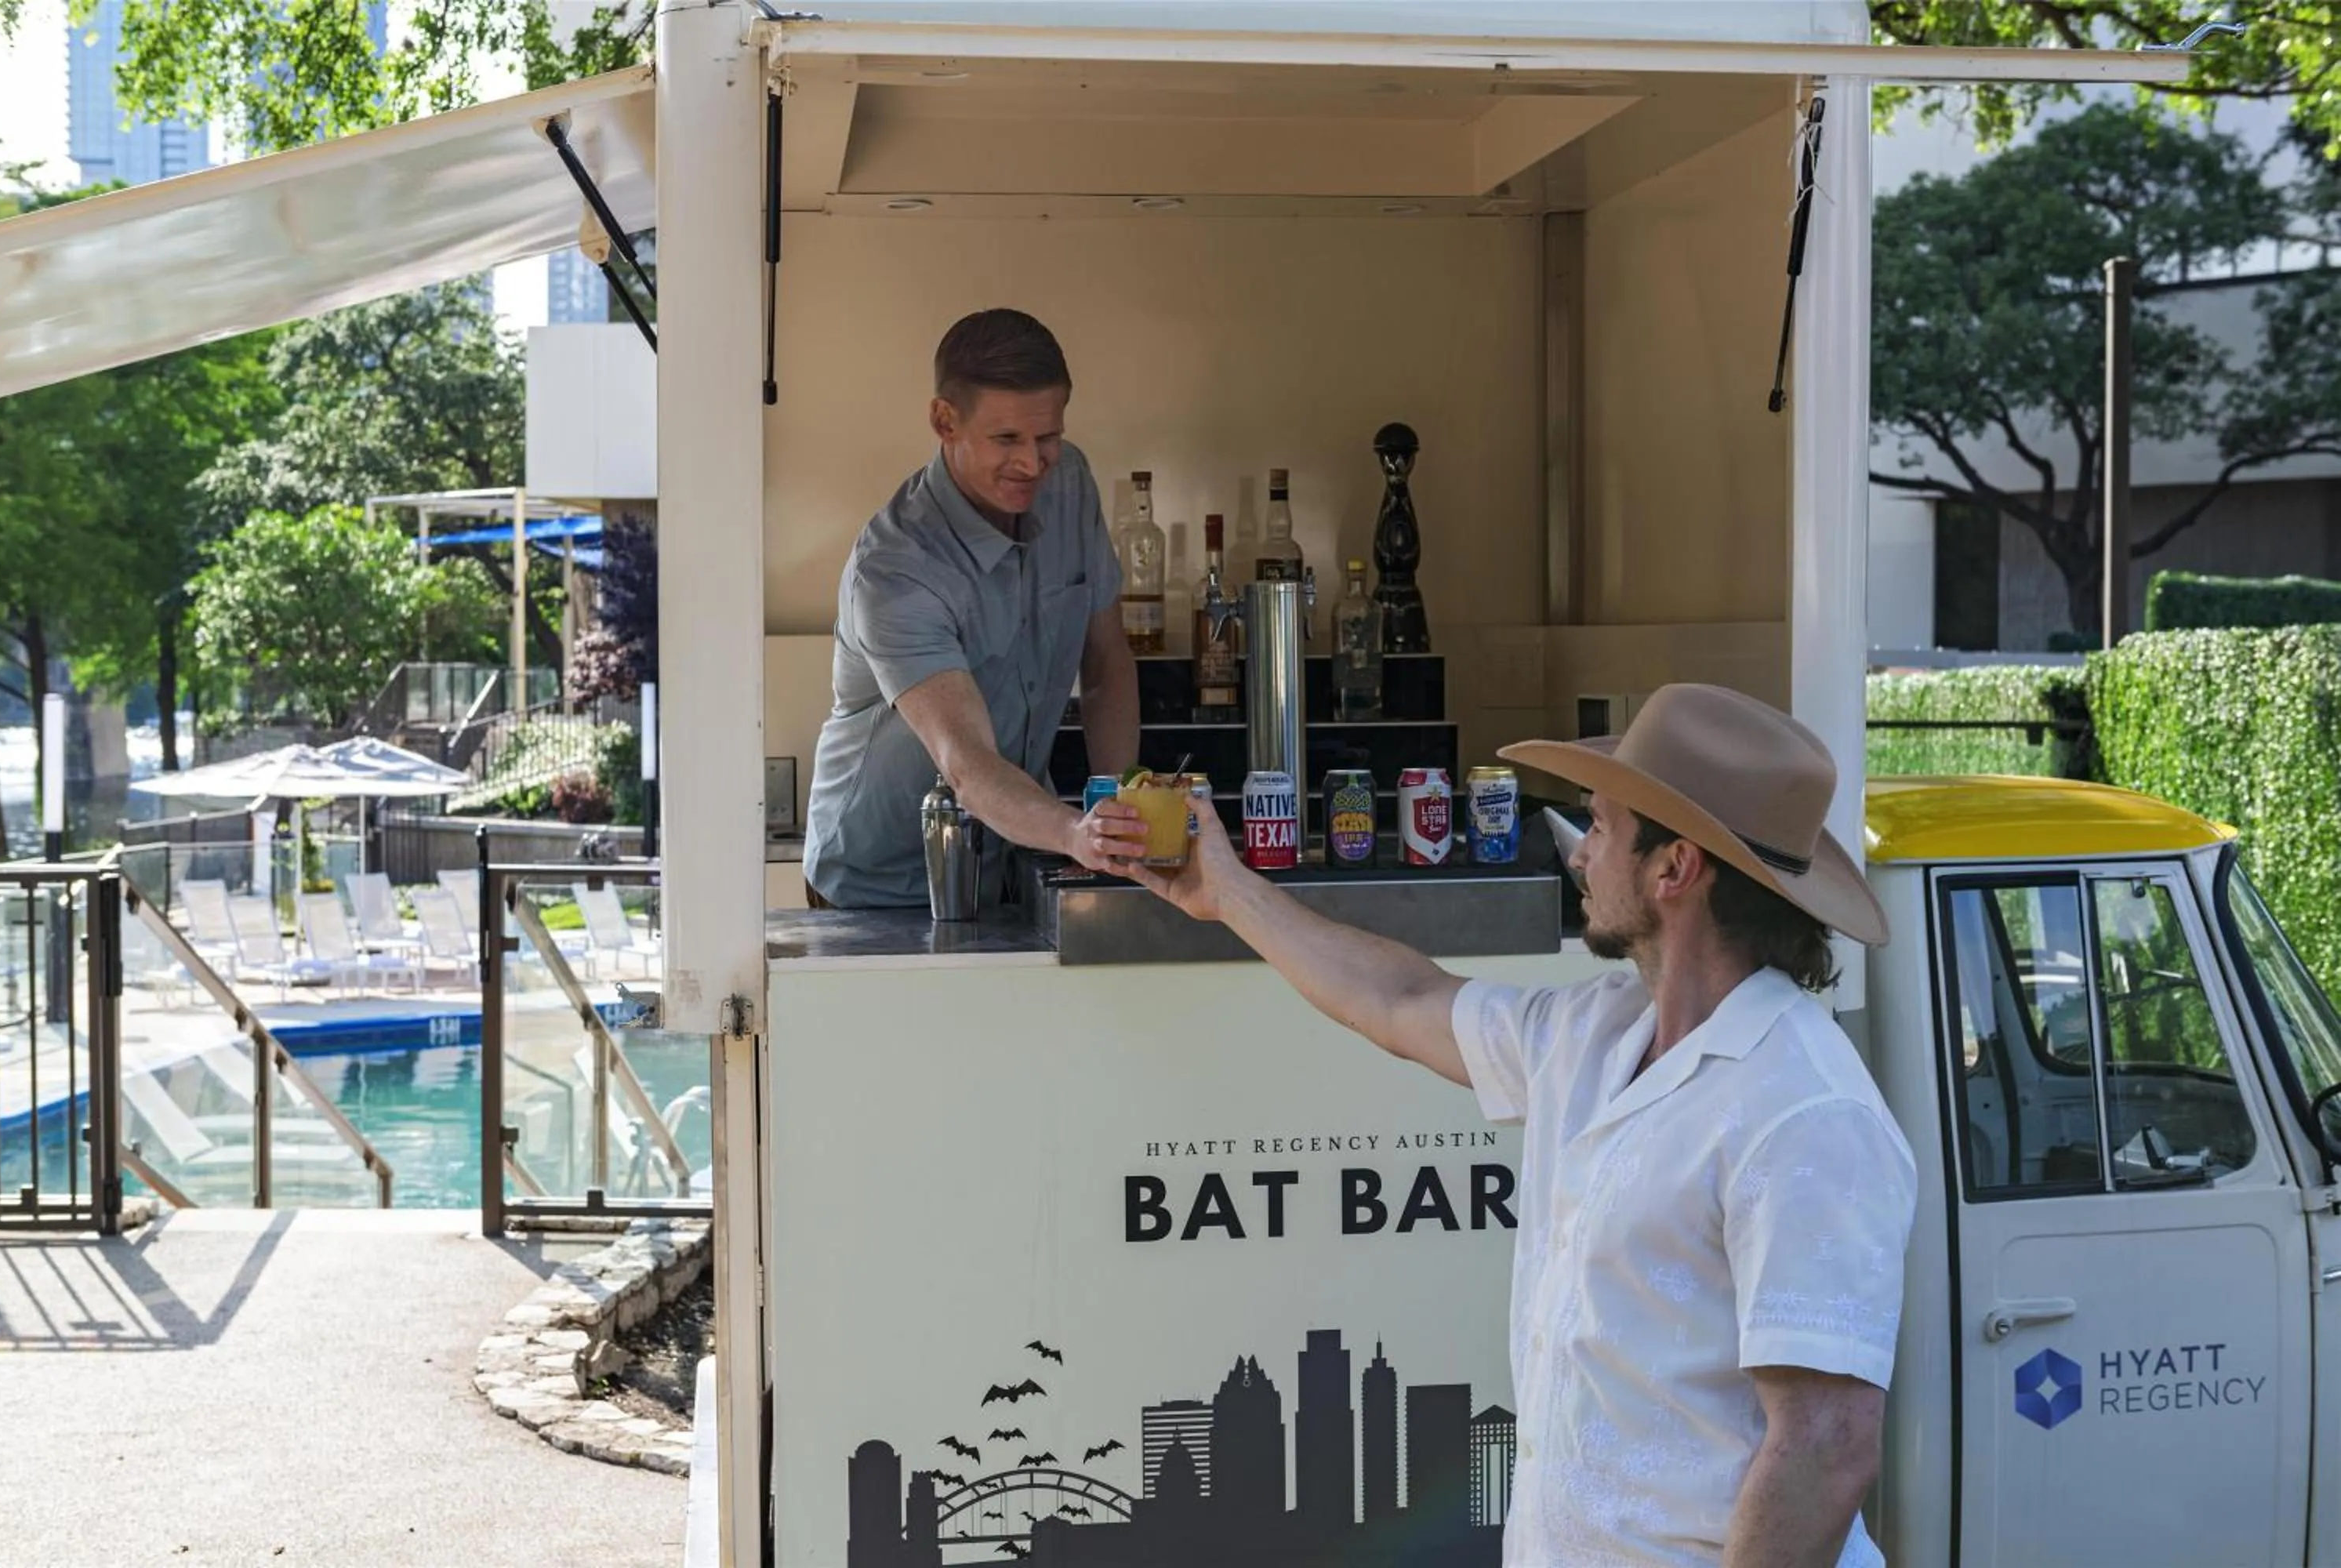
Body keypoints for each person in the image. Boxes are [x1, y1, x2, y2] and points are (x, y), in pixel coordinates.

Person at [1131, 684, 1918, 1568]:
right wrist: (1227, 891)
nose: (1582, 853)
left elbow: (1825, 1446)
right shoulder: (1597, 1031)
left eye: (1603, 826)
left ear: (1674, 869)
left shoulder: (1807, 1109)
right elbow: (1401, 998)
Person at [804, 309, 1148, 908]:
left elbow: (1106, 664)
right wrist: (1075, 833)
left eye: (1048, 437)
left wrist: (1116, 808)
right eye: (1007, 439)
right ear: (945, 421)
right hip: (877, 885)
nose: (1033, 463)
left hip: (1008, 864)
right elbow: (965, 763)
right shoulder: (894, 568)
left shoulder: (1069, 483)